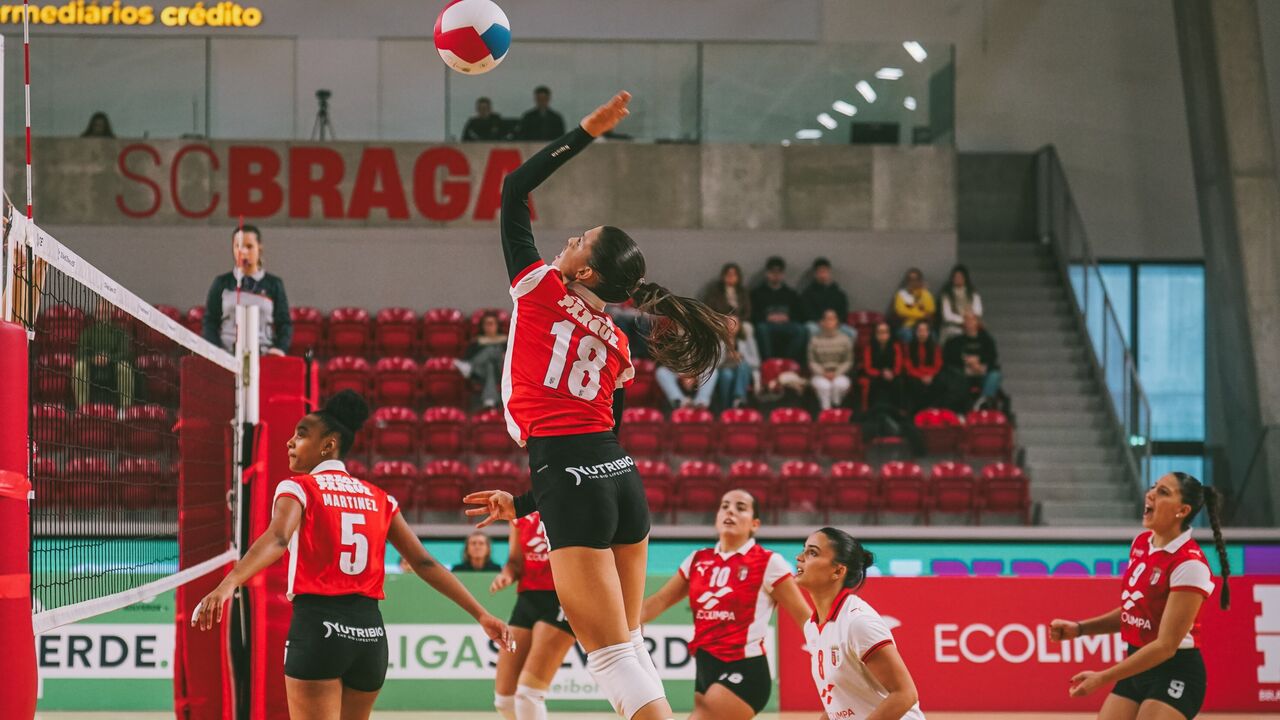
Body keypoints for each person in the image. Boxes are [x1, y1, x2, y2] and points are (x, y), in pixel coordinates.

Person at [464, 91, 731, 720]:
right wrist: (522, 503)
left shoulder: (539, 287)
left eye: (581, 240)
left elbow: (512, 189)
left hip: (570, 475)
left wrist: (585, 131)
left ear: (585, 274)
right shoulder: (616, 341)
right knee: (628, 645)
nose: (570, 239)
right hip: (619, 480)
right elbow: (602, 434)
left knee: (610, 657)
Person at [192, 391, 511, 720]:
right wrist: (482, 615)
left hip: (319, 630)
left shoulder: (299, 487)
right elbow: (425, 563)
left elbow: (278, 537)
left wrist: (228, 583)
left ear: (328, 445)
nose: (290, 442)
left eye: (301, 434)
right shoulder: (380, 498)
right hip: (370, 637)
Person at [1048, 472, 1230, 719]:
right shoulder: (1142, 543)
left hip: (1175, 672)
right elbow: (1135, 611)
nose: (1150, 494)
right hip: (1136, 666)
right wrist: (1080, 629)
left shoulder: (1189, 564)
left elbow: (1165, 646)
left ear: (1182, 510)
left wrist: (1103, 677)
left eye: (1163, 492)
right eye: (1154, 487)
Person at [640, 490, 811, 719]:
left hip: (745, 670)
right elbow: (659, 601)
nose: (730, 511)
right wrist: (620, 624)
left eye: (740, 508)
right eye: (725, 506)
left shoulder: (769, 562)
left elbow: (804, 616)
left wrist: (829, 654)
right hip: (705, 667)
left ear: (754, 524)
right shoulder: (698, 559)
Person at [796, 527, 926, 719]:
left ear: (838, 571)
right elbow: (839, 704)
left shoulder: (858, 622)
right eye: (804, 550)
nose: (799, 557)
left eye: (812, 553)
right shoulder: (812, 627)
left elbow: (905, 695)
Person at [490, 511, 577, 720]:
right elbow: (514, 562)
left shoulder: (576, 506)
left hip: (563, 597)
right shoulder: (520, 513)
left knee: (528, 695)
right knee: (504, 701)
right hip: (528, 599)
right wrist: (506, 575)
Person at [202, 225, 292, 355]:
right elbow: (210, 322)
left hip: (264, 355)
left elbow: (284, 324)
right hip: (226, 355)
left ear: (259, 248)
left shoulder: (274, 284)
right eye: (238, 246)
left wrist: (280, 348)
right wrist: (215, 350)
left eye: (249, 246)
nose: (243, 252)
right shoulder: (221, 283)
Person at [72, 300, 134, 409]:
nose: (102, 315)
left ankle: (125, 409)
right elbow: (80, 353)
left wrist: (109, 358)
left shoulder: (119, 332)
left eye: (104, 312)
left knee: (125, 367)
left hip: (113, 367)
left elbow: (125, 354)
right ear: (95, 313)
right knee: (79, 367)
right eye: (100, 312)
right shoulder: (87, 332)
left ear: (110, 313)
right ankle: (82, 408)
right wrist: (93, 359)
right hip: (92, 368)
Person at [749, 256, 807, 363]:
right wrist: (767, 317)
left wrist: (787, 317)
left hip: (787, 324)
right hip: (767, 324)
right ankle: (769, 362)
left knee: (801, 330)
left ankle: (788, 361)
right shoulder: (757, 293)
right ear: (767, 273)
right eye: (773, 272)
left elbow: (800, 314)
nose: (776, 275)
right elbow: (753, 314)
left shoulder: (791, 293)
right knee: (761, 328)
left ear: (783, 274)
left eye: (779, 272)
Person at [941, 312, 1002, 411]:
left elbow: (992, 357)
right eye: (967, 320)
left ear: (977, 322)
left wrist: (979, 364)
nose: (969, 322)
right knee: (955, 376)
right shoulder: (955, 341)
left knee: (995, 375)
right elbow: (950, 358)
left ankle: (984, 402)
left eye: (972, 320)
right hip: (963, 372)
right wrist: (968, 362)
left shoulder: (987, 340)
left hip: (981, 371)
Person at [808, 309, 855, 411]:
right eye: (827, 319)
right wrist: (823, 373)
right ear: (822, 322)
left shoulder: (845, 339)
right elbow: (812, 361)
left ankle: (836, 407)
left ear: (837, 322)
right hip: (820, 374)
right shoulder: (814, 340)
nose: (830, 322)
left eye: (833, 319)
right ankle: (826, 412)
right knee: (824, 386)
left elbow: (848, 361)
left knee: (839, 384)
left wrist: (836, 373)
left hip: (839, 373)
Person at [462, 311, 508, 409]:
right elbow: (467, 356)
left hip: (501, 371)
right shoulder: (476, 342)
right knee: (489, 366)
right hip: (480, 372)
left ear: (497, 325)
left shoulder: (506, 341)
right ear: (482, 326)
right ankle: (490, 399)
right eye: (486, 324)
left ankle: (470, 366)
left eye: (492, 323)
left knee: (493, 352)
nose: (489, 327)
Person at [801, 258, 855, 341]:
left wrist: (835, 322)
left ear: (829, 273)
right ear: (815, 274)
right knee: (811, 329)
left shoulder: (839, 293)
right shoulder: (807, 294)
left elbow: (843, 312)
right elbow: (807, 312)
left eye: (825, 272)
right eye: (820, 272)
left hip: (835, 324)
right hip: (816, 324)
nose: (823, 275)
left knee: (852, 333)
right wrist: (821, 322)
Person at [714, 314, 760, 410]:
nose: (732, 326)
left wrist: (742, 355)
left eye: (735, 324)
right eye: (729, 323)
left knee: (743, 365)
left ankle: (738, 399)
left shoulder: (746, 339)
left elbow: (756, 362)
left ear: (739, 326)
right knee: (727, 375)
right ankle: (725, 406)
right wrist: (726, 356)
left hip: (742, 369)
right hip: (724, 367)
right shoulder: (718, 340)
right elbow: (714, 363)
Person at [861, 321, 903, 412]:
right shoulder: (869, 347)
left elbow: (898, 364)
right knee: (872, 384)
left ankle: (897, 410)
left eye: (885, 332)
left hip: (892, 375)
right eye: (879, 332)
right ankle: (872, 411)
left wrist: (893, 373)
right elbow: (867, 367)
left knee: (899, 382)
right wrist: (881, 373)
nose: (882, 335)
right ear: (875, 334)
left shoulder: (896, 346)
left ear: (889, 334)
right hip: (876, 375)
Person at [904, 320, 943, 413]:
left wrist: (930, 375)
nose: (922, 333)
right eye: (920, 331)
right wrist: (921, 376)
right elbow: (908, 365)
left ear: (929, 333)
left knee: (940, 381)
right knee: (912, 383)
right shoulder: (909, 347)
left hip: (931, 375)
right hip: (915, 375)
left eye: (925, 331)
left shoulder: (935, 347)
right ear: (915, 332)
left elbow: (938, 364)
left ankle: (934, 410)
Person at [937, 264, 982, 342]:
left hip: (971, 324)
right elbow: (947, 315)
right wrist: (963, 321)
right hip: (952, 326)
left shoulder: (972, 292)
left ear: (965, 278)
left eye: (960, 277)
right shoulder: (947, 294)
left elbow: (978, 311)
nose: (958, 279)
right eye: (956, 277)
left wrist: (970, 321)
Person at [891, 268, 935, 343]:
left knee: (933, 336)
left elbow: (930, 315)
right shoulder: (901, 294)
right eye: (910, 279)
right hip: (906, 327)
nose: (912, 282)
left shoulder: (926, 294)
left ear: (920, 280)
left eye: (915, 279)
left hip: (923, 326)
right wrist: (922, 315)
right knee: (908, 335)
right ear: (906, 281)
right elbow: (901, 312)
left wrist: (911, 313)